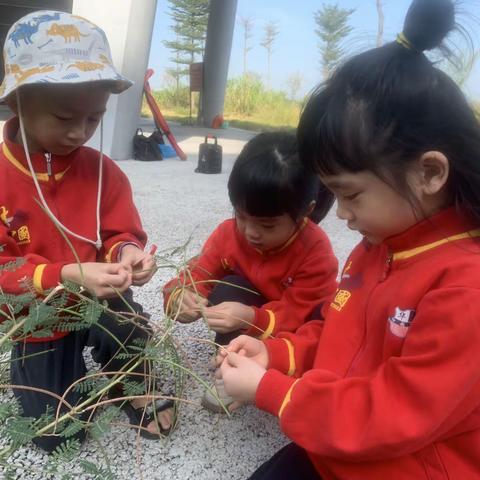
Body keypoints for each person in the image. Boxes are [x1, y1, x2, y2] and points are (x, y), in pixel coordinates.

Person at [217, 0, 480, 478]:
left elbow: (397, 411)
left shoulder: (466, 287)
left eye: (351, 194)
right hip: (333, 444)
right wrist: (277, 354)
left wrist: (271, 391)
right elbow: (341, 338)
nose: (341, 214)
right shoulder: (376, 249)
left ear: (430, 172)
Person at [0, 11, 173, 451]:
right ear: (17, 102)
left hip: (101, 295)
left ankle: (129, 376)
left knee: (127, 322)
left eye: (94, 119)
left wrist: (126, 253)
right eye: (63, 118)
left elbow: (120, 230)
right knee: (56, 436)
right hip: (36, 317)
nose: (79, 132)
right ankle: (62, 381)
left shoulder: (104, 172)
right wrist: (62, 275)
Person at [163, 132, 338, 411]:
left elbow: (301, 311)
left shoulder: (316, 252)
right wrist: (181, 296)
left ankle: (264, 375)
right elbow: (197, 272)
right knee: (228, 287)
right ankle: (231, 366)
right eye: (241, 215)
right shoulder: (228, 234)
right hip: (251, 317)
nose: (250, 232)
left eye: (268, 225)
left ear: (307, 211)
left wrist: (251, 317)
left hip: (290, 332)